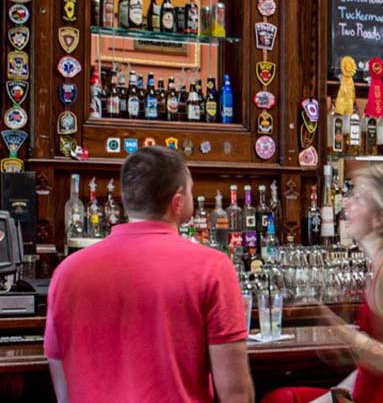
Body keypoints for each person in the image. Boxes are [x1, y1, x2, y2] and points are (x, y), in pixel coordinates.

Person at [44, 146, 254, 403]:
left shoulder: (67, 271)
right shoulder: (212, 268)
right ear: (178, 202)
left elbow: (63, 386)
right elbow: (235, 394)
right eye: (191, 190)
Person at [263, 165, 383, 403]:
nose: (346, 203)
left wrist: (349, 338)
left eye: (358, 199)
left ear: (381, 219)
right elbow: (373, 363)